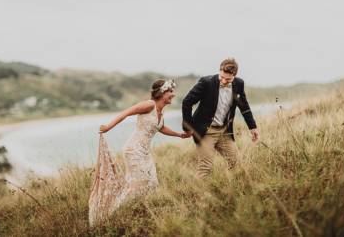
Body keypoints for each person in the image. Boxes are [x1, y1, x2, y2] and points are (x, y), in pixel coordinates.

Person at [88, 79, 191, 226]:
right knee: (136, 185)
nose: (173, 95)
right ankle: (111, 217)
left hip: (145, 153)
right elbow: (126, 112)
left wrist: (180, 135)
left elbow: (161, 128)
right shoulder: (149, 105)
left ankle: (140, 213)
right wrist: (109, 126)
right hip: (133, 150)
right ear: (162, 93)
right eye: (170, 91)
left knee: (152, 183)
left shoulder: (160, 111)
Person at [182, 58, 259, 178]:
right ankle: (196, 195)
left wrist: (252, 126)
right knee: (205, 167)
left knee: (236, 163)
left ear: (234, 75)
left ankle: (231, 190)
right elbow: (187, 102)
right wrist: (188, 127)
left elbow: (244, 106)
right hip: (205, 131)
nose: (223, 81)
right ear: (219, 70)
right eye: (221, 77)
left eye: (227, 79)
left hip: (225, 131)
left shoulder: (239, 84)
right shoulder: (206, 82)